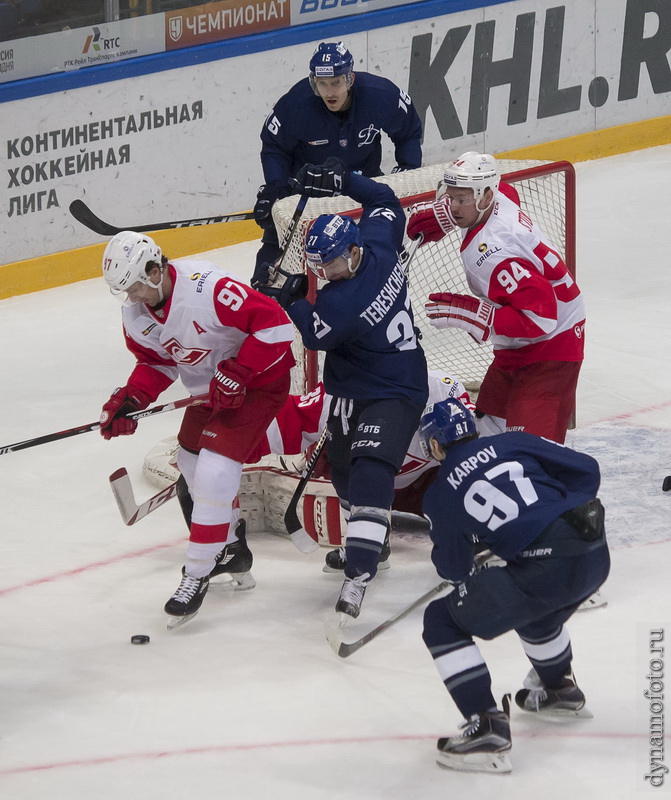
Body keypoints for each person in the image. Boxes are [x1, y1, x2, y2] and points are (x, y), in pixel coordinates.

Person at [258, 160, 429, 620]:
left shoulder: (341, 303)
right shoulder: (380, 242)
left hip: (396, 390)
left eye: (330, 263)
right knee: (343, 474)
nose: (325, 272)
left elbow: (312, 333)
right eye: (319, 265)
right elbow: (383, 200)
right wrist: (342, 181)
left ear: (351, 251)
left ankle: (358, 575)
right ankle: (376, 540)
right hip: (352, 389)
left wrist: (286, 297)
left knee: (372, 469)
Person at [99, 230, 295, 627]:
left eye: (136, 285)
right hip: (211, 393)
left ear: (155, 270)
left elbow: (277, 327)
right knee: (189, 459)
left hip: (259, 383)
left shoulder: (209, 290)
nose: (132, 297)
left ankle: (196, 573)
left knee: (214, 472)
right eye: (125, 291)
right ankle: (229, 549)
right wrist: (132, 398)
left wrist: (240, 371)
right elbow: (158, 361)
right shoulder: (136, 316)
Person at [417, 398, 610, 774]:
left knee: (441, 620)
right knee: (537, 613)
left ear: (435, 446)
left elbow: (453, 570)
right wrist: (556, 521)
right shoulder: (510, 442)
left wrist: (494, 546)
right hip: (593, 551)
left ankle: (486, 726)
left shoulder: (440, 493)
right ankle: (559, 689)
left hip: (546, 566)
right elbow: (587, 469)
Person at [407, 151, 585, 444]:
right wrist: (451, 215)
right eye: (450, 197)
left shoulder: (494, 253)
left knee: (529, 453)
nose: (452, 206)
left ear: (486, 197)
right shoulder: (498, 195)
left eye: (461, 200)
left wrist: (478, 314)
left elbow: (542, 318)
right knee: (488, 429)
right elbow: (507, 189)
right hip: (517, 346)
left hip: (553, 347)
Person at [252, 41, 423, 277]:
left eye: (336, 82)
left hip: (363, 190)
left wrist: (408, 170)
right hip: (310, 194)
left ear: (350, 79)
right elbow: (274, 147)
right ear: (314, 82)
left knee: (379, 262)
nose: (330, 92)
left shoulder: (380, 95)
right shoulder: (295, 105)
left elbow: (408, 131)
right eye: (322, 84)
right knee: (274, 258)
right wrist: (276, 188)